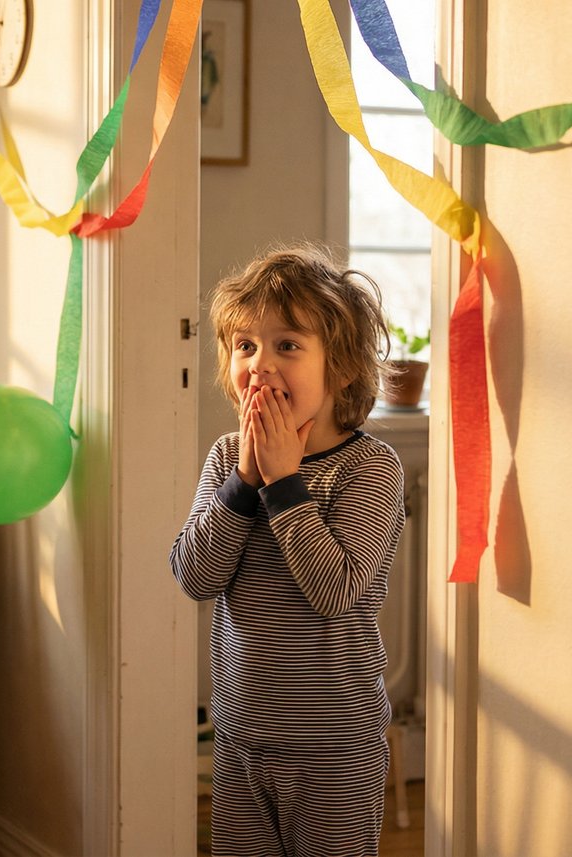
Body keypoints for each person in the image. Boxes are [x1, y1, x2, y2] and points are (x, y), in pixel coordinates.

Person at [170, 243, 406, 856]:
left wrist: (282, 483)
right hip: (242, 733)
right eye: (245, 345)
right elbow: (195, 575)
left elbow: (333, 591)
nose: (260, 363)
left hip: (335, 746)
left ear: (344, 366)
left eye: (288, 345)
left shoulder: (370, 467)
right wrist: (245, 483)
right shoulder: (228, 457)